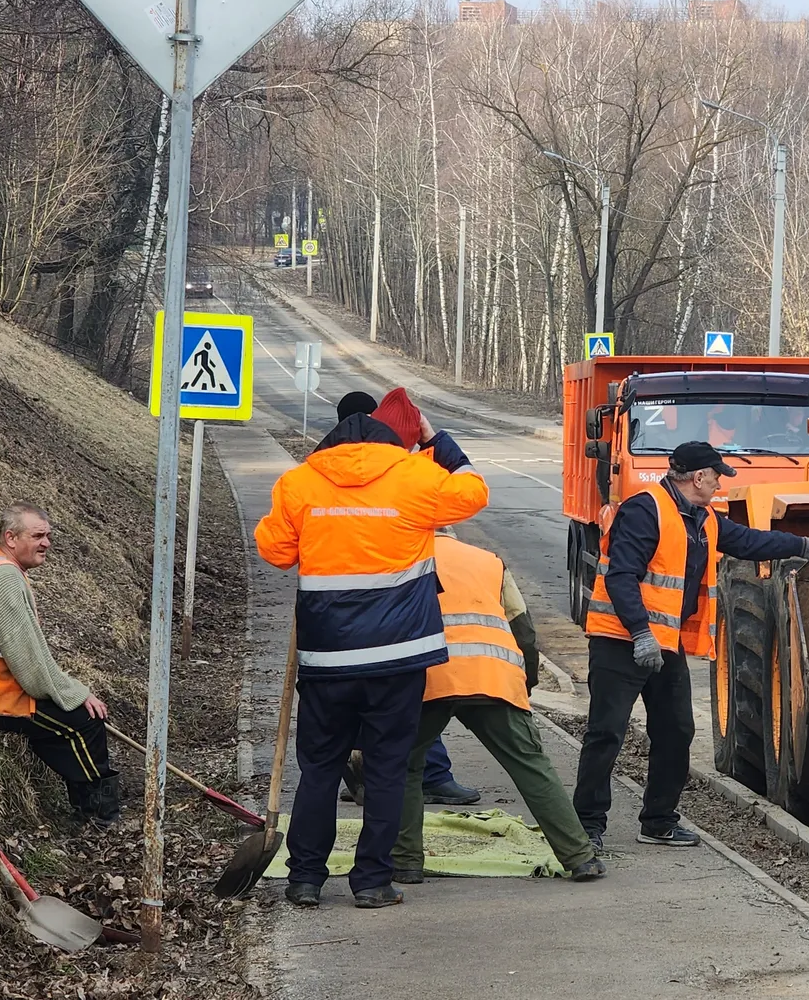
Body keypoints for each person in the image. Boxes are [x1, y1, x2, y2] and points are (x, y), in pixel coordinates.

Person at [255, 404, 489, 909]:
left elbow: (275, 551)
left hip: (327, 656)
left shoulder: (299, 483)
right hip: (399, 657)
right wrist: (436, 440)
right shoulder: (416, 476)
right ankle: (372, 882)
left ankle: (306, 879)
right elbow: (474, 492)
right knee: (386, 768)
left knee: (319, 766)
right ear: (392, 443)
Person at [576, 442, 809, 848]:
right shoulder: (646, 510)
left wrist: (800, 546)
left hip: (664, 646)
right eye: (716, 477)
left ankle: (658, 821)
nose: (719, 485)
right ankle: (586, 827)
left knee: (676, 731)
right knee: (607, 733)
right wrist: (641, 632)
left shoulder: (704, 518)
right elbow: (621, 576)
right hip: (621, 642)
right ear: (698, 477)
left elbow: (747, 542)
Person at [392, 530, 606, 884]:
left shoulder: (400, 557)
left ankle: (406, 863)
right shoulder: (488, 562)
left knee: (404, 767)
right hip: (492, 674)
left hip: (427, 678)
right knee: (530, 765)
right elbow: (523, 630)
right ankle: (579, 857)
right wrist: (525, 682)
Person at [318, 389, 477, 807]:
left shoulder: (318, 470)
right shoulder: (396, 467)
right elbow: (469, 493)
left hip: (334, 619)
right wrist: (437, 442)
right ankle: (423, 777)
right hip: (393, 611)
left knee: (346, 703)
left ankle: (357, 771)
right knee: (408, 699)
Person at [0, 504, 119, 826]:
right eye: (38, 536)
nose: (47, 543)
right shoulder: (3, 579)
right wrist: (77, 694)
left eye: (48, 535)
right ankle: (99, 815)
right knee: (85, 721)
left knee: (66, 722)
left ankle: (87, 806)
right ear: (11, 538)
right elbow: (29, 663)